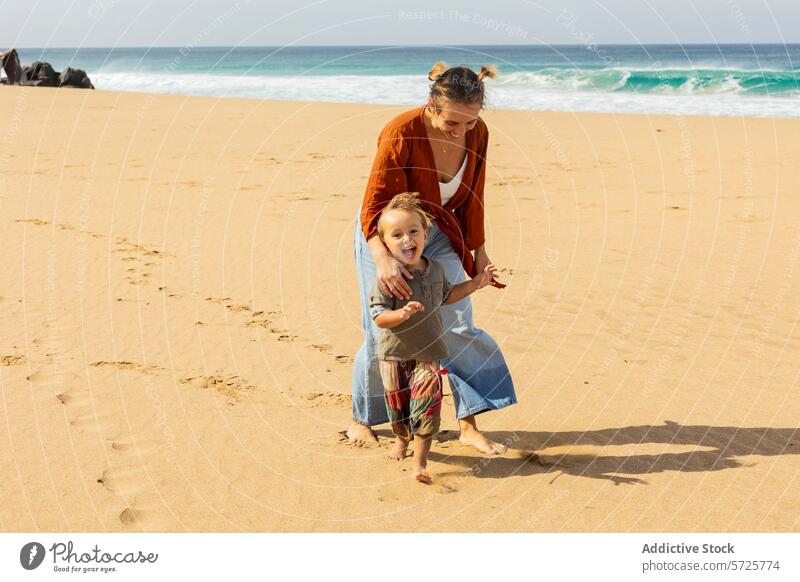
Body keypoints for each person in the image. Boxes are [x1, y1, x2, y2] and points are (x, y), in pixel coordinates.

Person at [349, 61, 517, 455]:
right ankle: (362, 419)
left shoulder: (477, 132)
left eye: (470, 123)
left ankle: (468, 423)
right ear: (431, 105)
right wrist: (384, 256)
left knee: (457, 323)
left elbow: (474, 193)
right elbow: (374, 205)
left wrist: (479, 250)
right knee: (383, 329)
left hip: (441, 232)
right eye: (452, 125)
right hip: (387, 232)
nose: (461, 132)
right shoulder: (400, 132)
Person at [370, 193, 499, 483]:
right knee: (398, 406)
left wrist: (476, 283)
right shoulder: (387, 279)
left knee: (427, 405)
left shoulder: (436, 270)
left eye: (413, 231)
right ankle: (401, 440)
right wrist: (402, 314)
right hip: (393, 355)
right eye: (397, 235)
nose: (407, 239)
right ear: (386, 244)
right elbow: (378, 317)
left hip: (429, 353)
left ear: (425, 235)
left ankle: (421, 463)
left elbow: (447, 296)